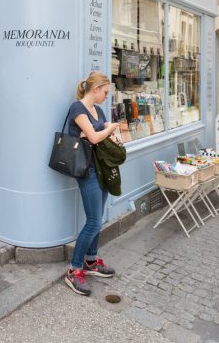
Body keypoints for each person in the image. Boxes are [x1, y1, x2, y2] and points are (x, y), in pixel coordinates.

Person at [65, 71, 120, 296]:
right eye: (105, 92)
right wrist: (111, 129)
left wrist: (109, 133)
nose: (107, 96)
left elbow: (101, 134)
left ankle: (90, 262)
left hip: (101, 170)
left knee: (98, 219)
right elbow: (97, 137)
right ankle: (73, 270)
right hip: (86, 171)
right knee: (94, 221)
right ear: (95, 89)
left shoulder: (96, 110)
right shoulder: (77, 109)